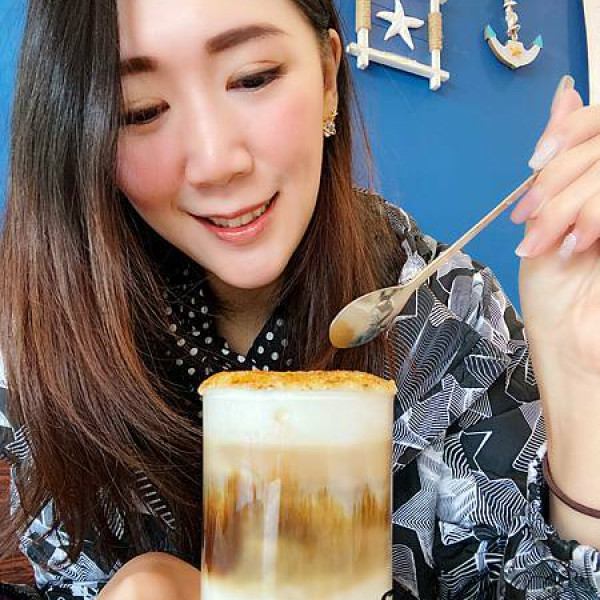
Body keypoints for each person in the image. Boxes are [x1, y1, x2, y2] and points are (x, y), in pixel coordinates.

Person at [1, 0, 600, 598]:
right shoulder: (42, 348)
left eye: (253, 78)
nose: (216, 163)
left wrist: (582, 374)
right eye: (141, 110)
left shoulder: (456, 318)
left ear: (329, 78)